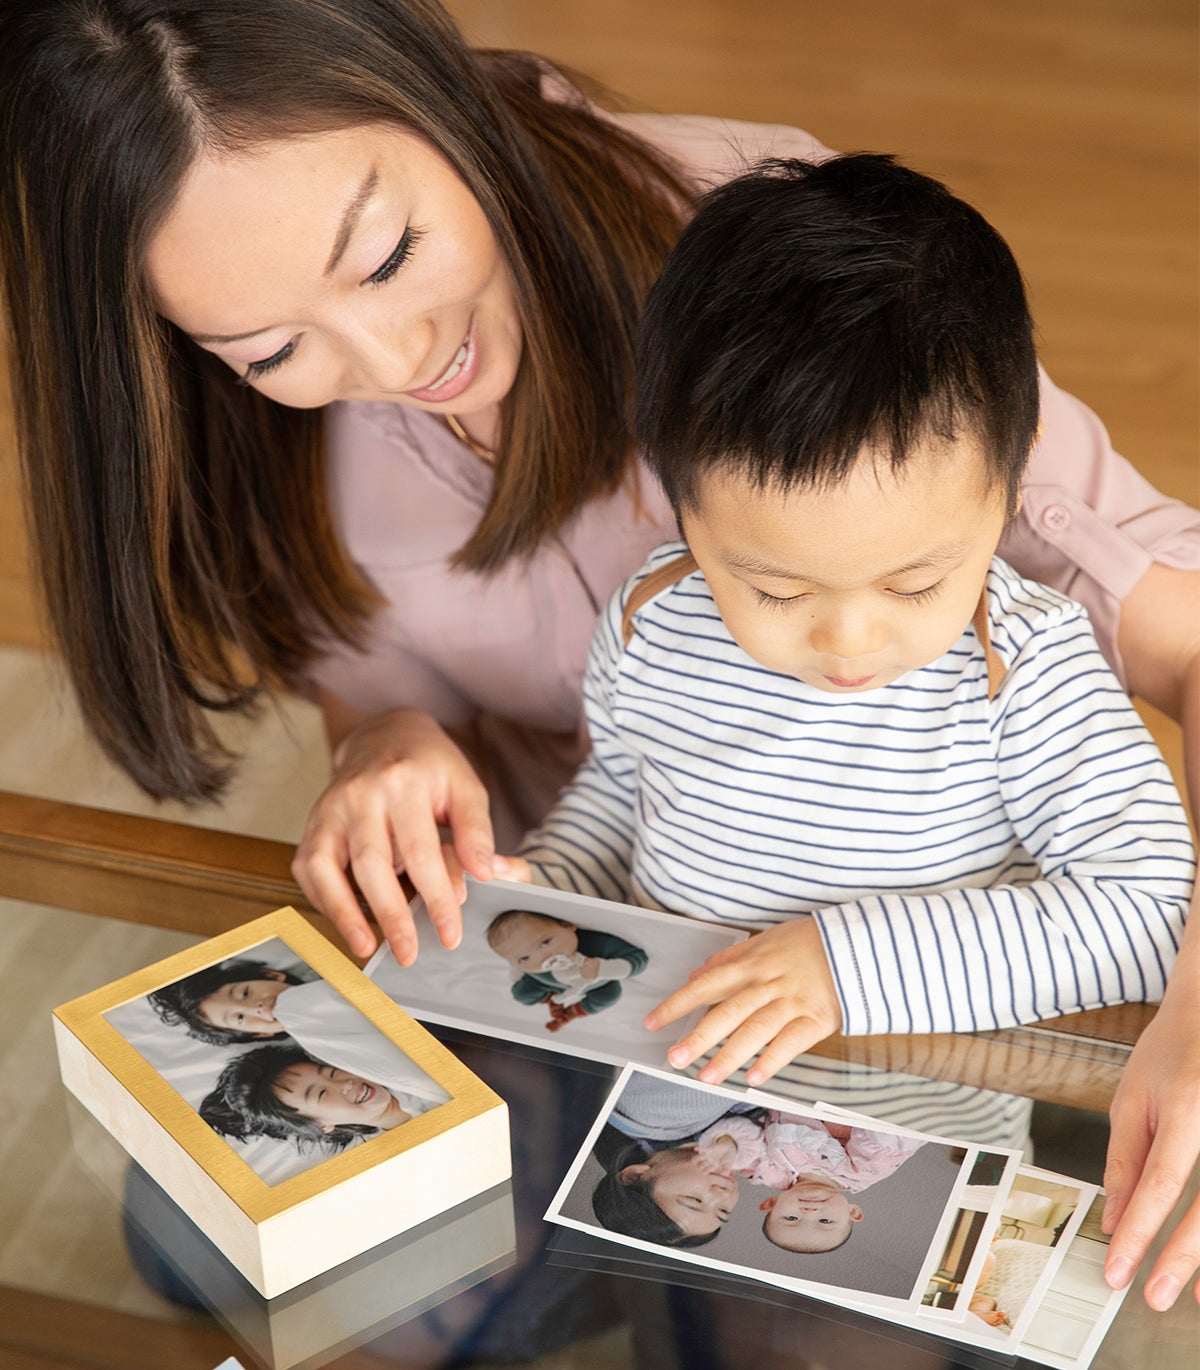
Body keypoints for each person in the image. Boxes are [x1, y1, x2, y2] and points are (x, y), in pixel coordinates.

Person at [0, 0, 1196, 1311]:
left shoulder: (793, 284)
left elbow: (1167, 680)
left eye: (390, 250)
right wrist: (391, 744)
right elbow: (588, 771)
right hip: (621, 1006)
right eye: (272, 349)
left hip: (906, 1034)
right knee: (220, 1236)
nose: (398, 361)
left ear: (437, 97)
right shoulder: (651, 614)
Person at [512, 155, 1194, 1082]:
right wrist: (550, 888)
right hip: (664, 1080)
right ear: (679, 503)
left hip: (913, 1127)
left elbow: (1150, 912)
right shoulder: (653, 619)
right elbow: (624, 792)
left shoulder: (1024, 668)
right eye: (778, 592)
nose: (849, 640)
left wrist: (845, 967)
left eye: (915, 585)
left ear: (1012, 478)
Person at [199, 1043, 434, 1152]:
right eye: (321, 1094)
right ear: (323, 1125)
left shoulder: (411, 1062)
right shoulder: (404, 1154)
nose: (345, 1085)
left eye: (331, 1073)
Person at [485, 908, 648, 1030]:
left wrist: (603, 968)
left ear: (567, 925)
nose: (543, 958)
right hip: (545, 983)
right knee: (521, 994)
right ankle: (551, 1002)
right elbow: (515, 971)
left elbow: (638, 959)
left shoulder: (596, 944)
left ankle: (573, 1012)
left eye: (545, 942)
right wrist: (518, 978)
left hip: (597, 983)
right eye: (525, 958)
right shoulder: (528, 967)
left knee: (610, 995)